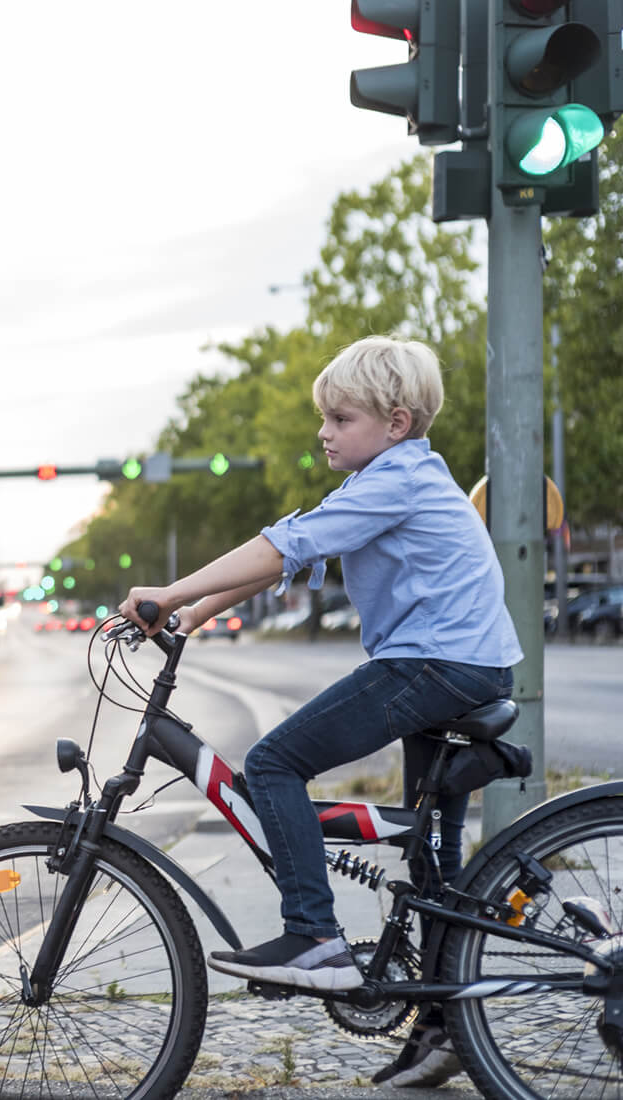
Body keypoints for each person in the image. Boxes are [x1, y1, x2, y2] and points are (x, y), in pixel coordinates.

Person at [118, 335, 521, 1087]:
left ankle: (312, 937)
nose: (323, 432)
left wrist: (167, 593)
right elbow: (290, 554)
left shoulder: (393, 481)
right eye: (323, 419)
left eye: (339, 418)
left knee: (272, 764)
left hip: (435, 662)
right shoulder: (388, 478)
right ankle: (445, 1024)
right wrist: (193, 616)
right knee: (431, 846)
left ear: (395, 422)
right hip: (463, 662)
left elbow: (282, 546)